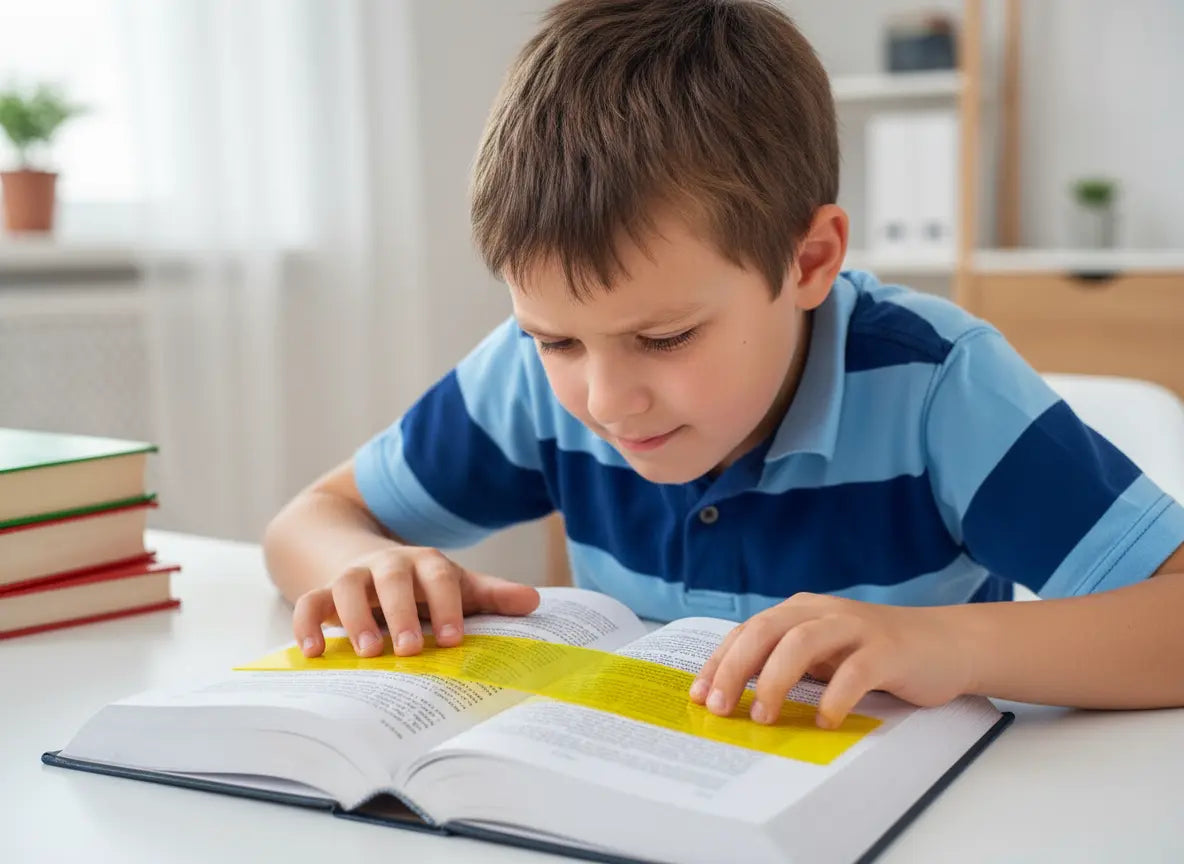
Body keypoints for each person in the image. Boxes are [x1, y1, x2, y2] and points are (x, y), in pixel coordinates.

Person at [263, 0, 1184, 730]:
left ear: (810, 261)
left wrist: (948, 643)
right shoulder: (523, 377)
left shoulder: (936, 387)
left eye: (664, 339)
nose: (605, 399)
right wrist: (367, 569)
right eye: (557, 340)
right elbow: (310, 522)